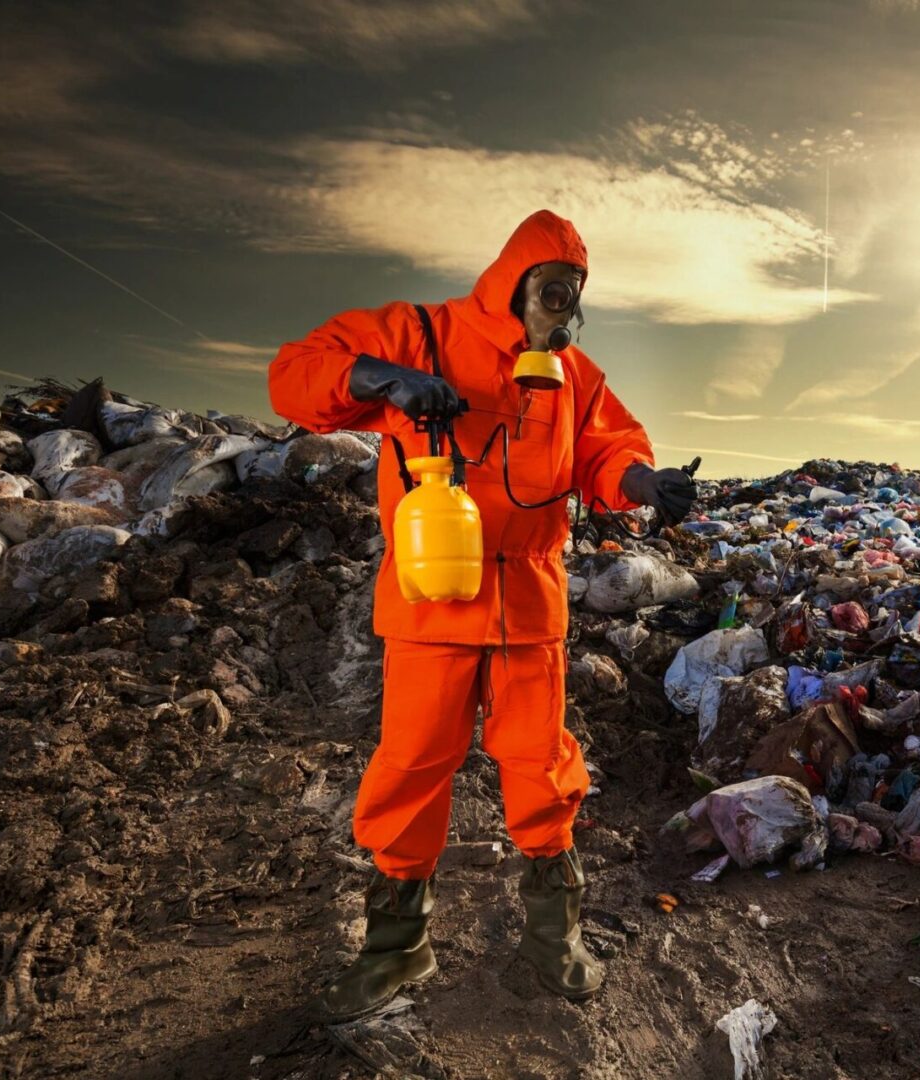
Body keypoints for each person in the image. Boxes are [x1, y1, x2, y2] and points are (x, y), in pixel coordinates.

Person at [267, 209, 696, 1017]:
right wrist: (378, 379)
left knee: (543, 768)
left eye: (572, 300)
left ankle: (551, 937)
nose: (560, 314)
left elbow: (607, 448)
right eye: (550, 294)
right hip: (433, 601)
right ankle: (397, 949)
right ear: (512, 285)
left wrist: (644, 485)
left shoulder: (573, 377)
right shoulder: (417, 335)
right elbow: (294, 372)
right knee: (412, 766)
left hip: (529, 605)